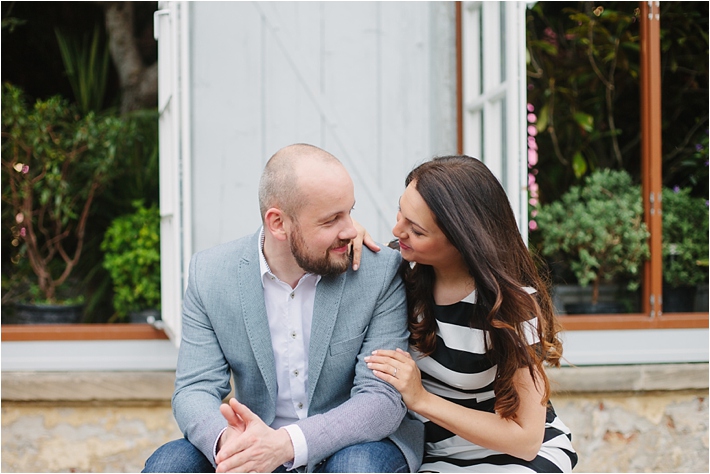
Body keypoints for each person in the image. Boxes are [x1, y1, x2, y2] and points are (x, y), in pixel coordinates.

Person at [143, 144, 424, 473]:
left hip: (353, 443)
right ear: (277, 223)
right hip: (256, 437)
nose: (350, 229)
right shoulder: (210, 275)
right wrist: (229, 442)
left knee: (356, 468)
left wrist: (287, 444)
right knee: (170, 464)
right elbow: (195, 389)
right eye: (331, 219)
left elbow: (380, 398)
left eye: (349, 211)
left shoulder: (378, 271)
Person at [361, 155, 578, 472]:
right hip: (438, 457)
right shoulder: (398, 273)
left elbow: (526, 439)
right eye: (400, 211)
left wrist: (421, 399)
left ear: (463, 242)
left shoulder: (515, 307)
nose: (397, 230)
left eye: (417, 231)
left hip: (518, 457)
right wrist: (345, 232)